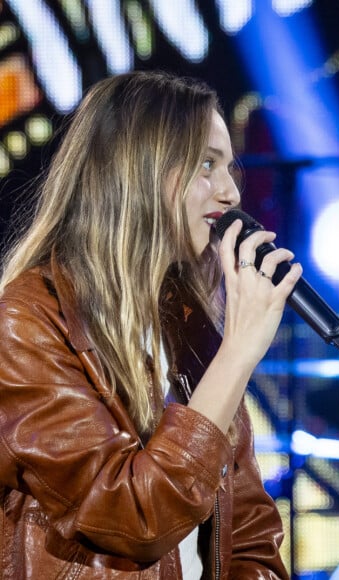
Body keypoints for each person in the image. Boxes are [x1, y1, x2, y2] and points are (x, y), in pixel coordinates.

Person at [0, 70, 302, 578]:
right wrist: (238, 352)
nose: (230, 192)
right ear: (136, 170)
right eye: (207, 164)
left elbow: (249, 530)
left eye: (230, 167)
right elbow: (132, 518)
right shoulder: (24, 322)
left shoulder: (189, 325)